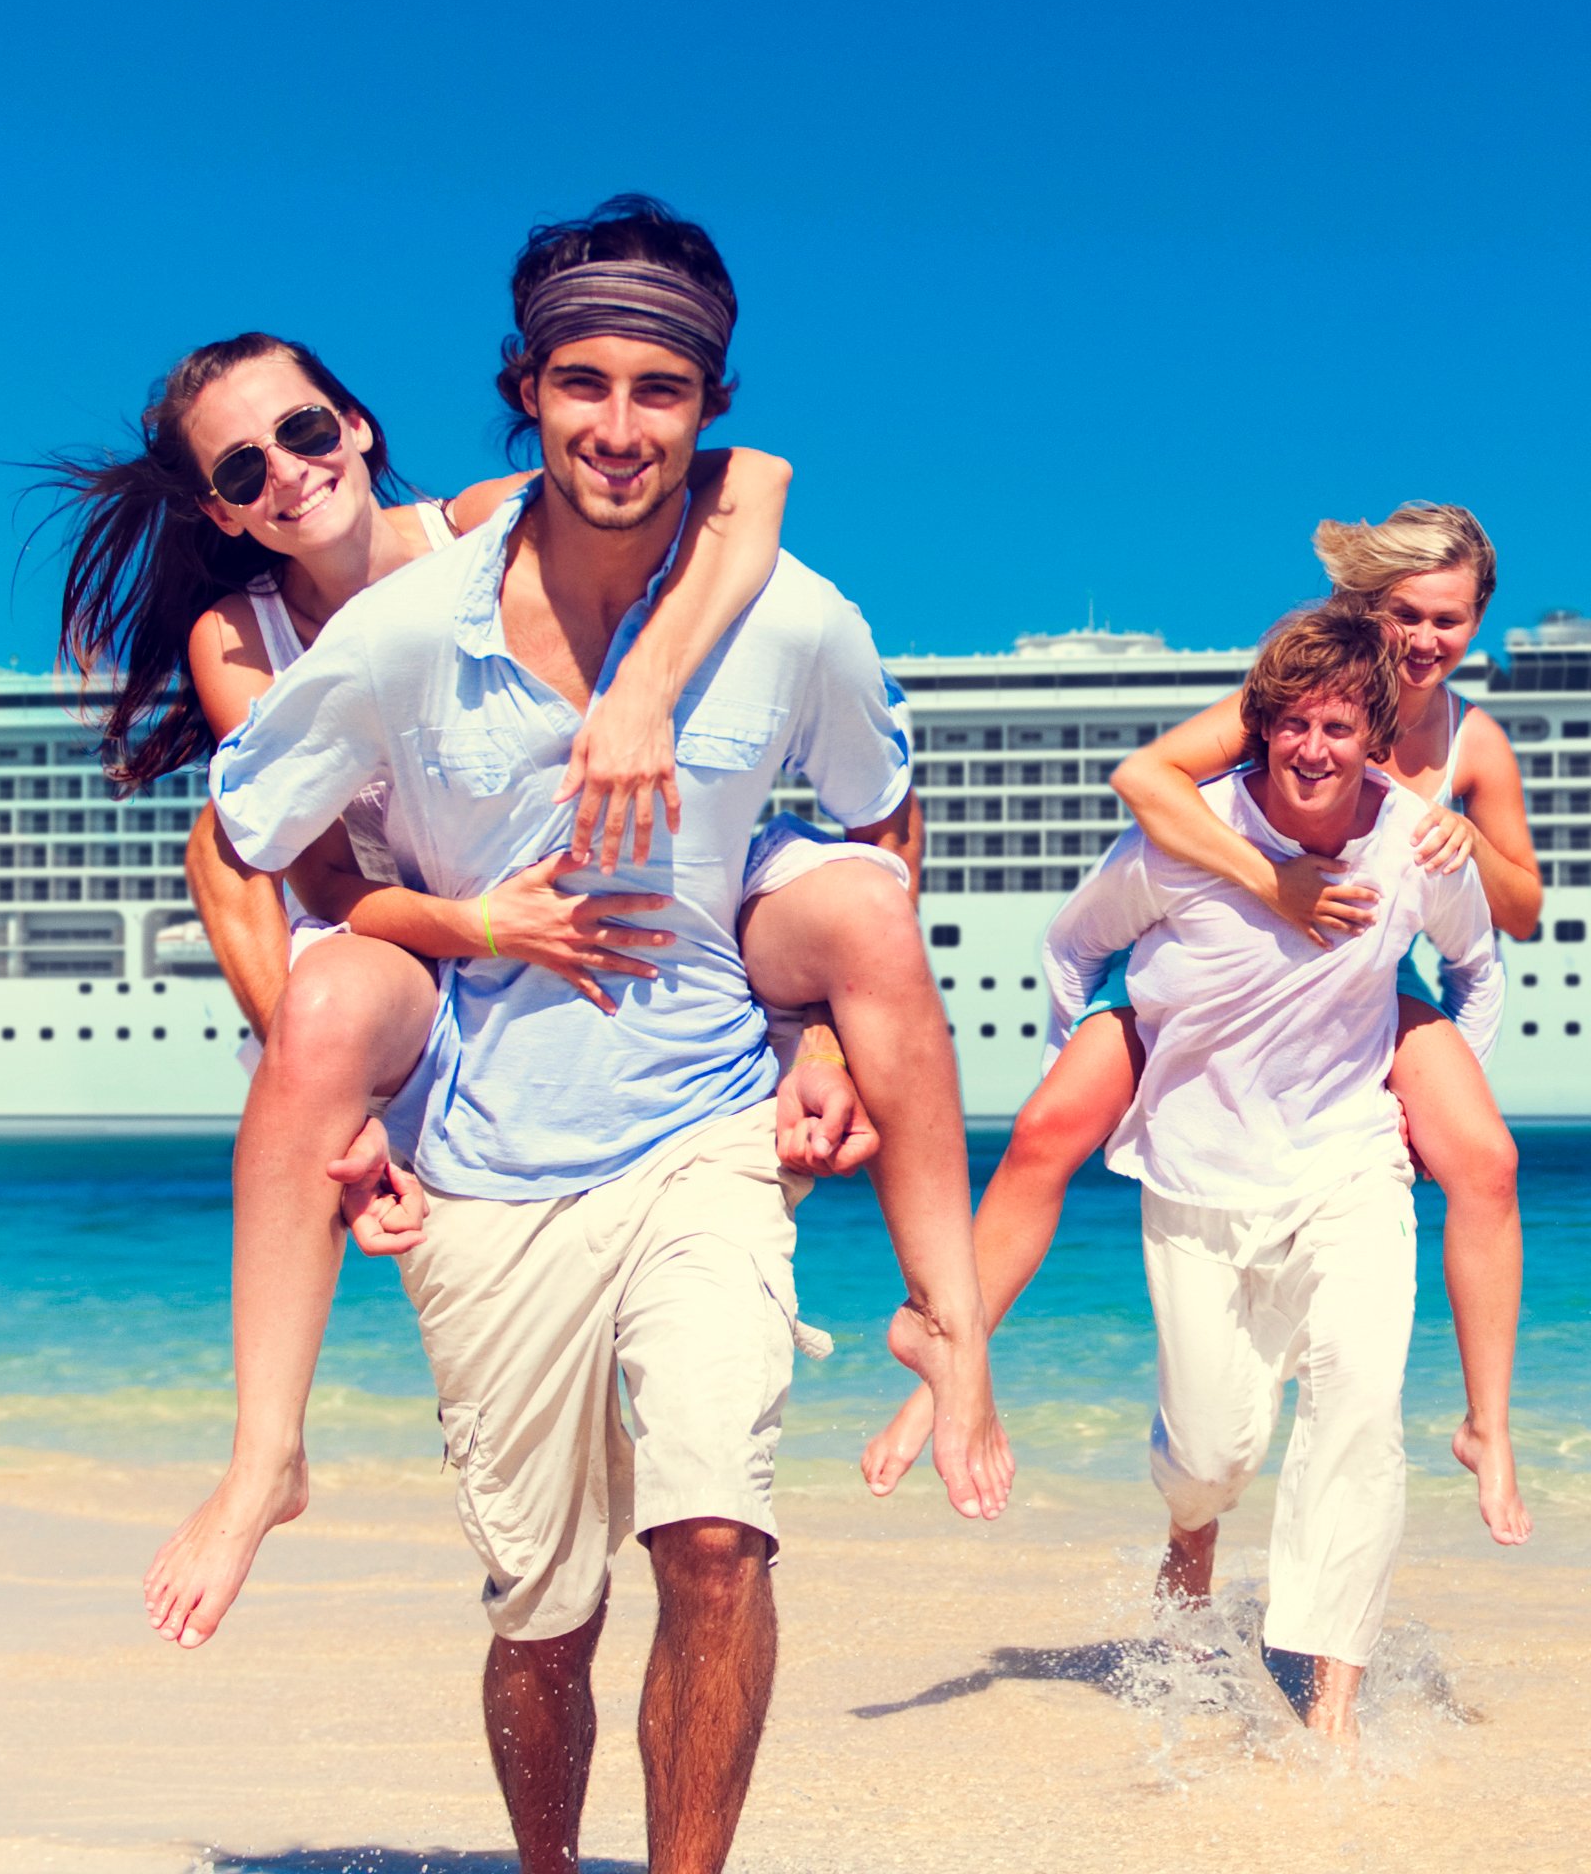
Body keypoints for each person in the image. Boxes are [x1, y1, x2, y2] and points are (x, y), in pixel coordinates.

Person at [207, 197, 1007, 1874]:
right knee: (542, 1618)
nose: (620, 427)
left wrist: (823, 1049)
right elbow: (245, 837)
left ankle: (950, 1325)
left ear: (706, 408)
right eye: (583, 383)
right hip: (490, 1163)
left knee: (714, 1537)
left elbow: (882, 816)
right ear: (525, 390)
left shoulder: (790, 616)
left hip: (700, 1130)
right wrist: (354, 1058)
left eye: (661, 390)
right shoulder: (393, 636)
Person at [47, 329, 874, 1653]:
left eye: (306, 432)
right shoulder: (238, 638)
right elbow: (315, 879)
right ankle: (267, 1455)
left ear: (358, 427)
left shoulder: (483, 526)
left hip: (615, 923)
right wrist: (473, 925)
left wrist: (647, 688)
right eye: (245, 468)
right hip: (418, 950)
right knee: (277, 941)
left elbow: (753, 480)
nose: (289, 474)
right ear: (221, 508)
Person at [864, 503, 1541, 1544]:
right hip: (1207, 951)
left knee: (1485, 1159)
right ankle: (948, 1362)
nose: (1423, 639)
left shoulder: (1472, 742)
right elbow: (1145, 779)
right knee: (1050, 1131)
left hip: (1362, 973)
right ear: (1369, 606)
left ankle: (1487, 1428)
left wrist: (1457, 833)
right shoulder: (1303, 699)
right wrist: (1276, 883)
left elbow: (1519, 911)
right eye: (1404, 612)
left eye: (1448, 619)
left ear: (1478, 620)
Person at [1038, 600, 1505, 1745]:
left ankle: (1327, 1708)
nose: (1311, 748)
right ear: (1259, 730)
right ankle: (1190, 1538)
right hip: (1198, 1176)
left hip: (1350, 1167)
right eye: (1290, 724)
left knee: (1359, 1409)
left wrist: (1427, 1082)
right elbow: (1071, 945)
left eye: (1338, 727)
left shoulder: (1413, 842)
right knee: (1209, 1457)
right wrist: (1113, 1057)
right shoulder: (1181, 837)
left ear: (1375, 734)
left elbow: (1478, 964)